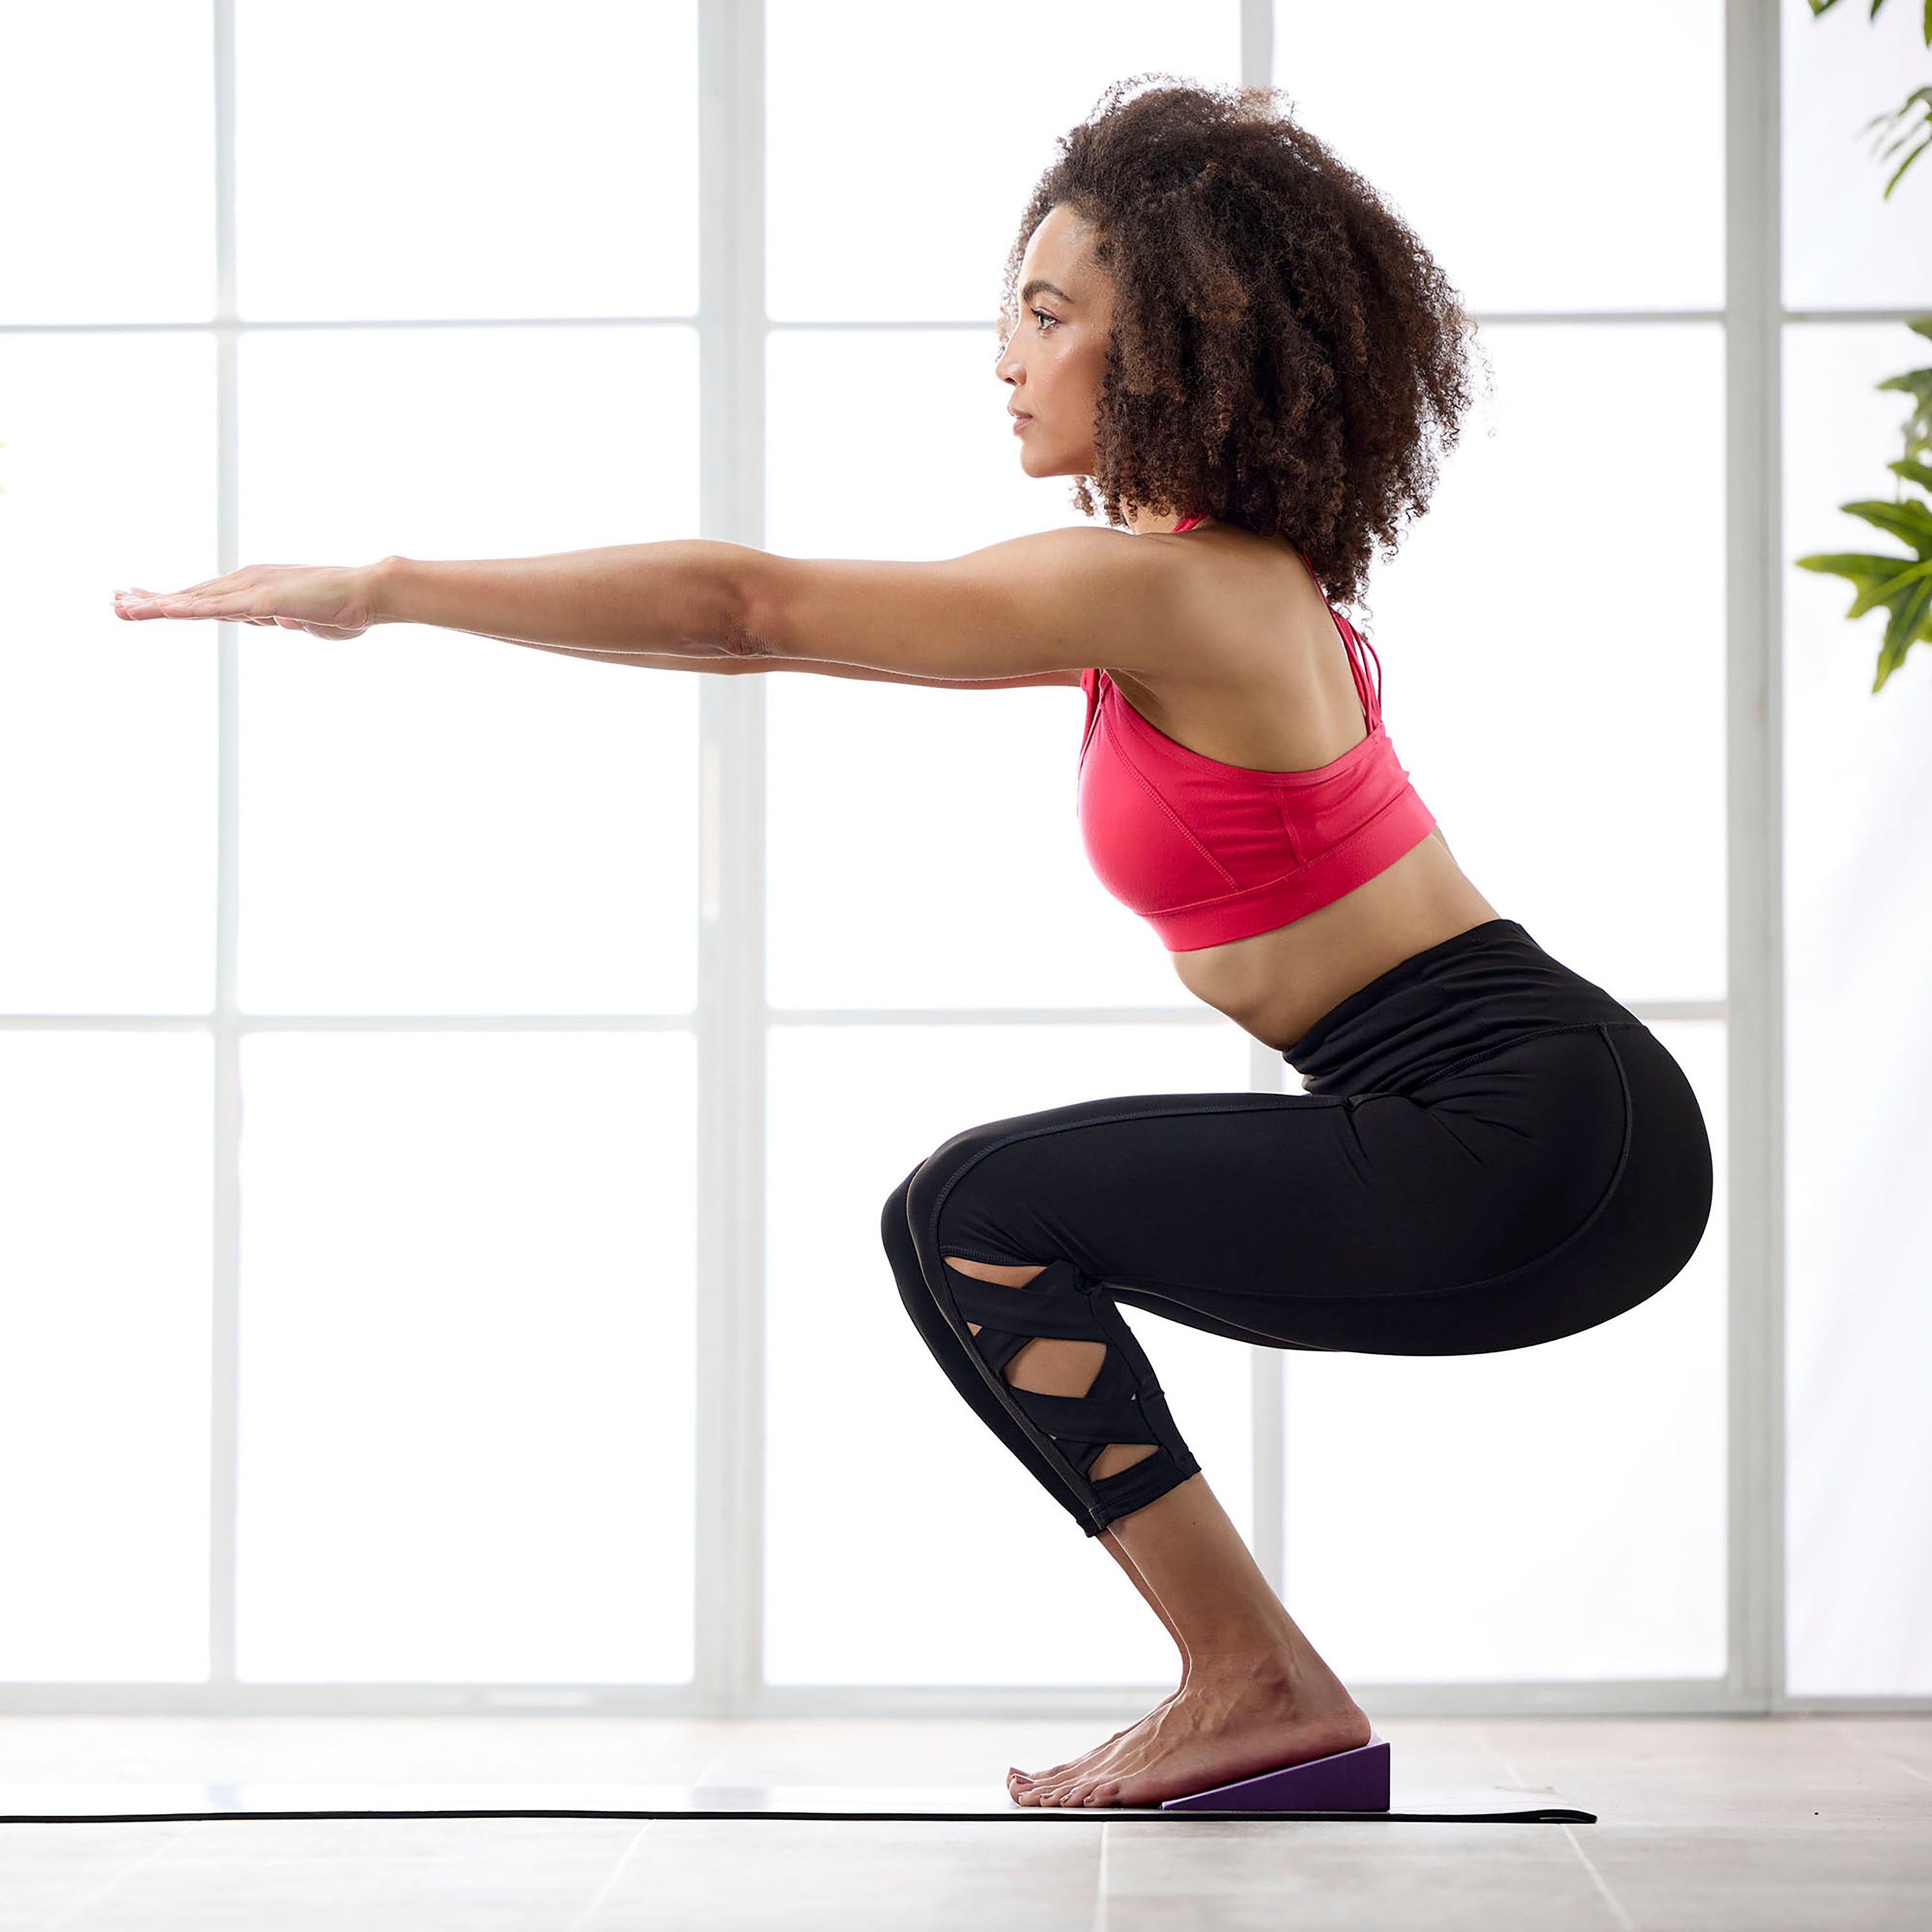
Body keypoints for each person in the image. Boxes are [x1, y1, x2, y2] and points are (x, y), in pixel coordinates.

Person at [112, 77, 1712, 1812]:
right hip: (1550, 1130)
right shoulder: (1185, 581)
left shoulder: (1179, 592)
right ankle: (1249, 1673)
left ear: (1182, 335)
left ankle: (1250, 1680)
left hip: (1524, 1127)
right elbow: (763, 636)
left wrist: (394, 583)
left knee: (978, 1217)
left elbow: (751, 608)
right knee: (976, 1218)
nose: (1008, 357)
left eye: (1049, 312)